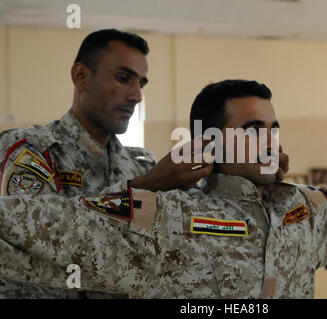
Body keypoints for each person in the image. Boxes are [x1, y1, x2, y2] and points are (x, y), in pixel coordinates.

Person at [0, 79, 327, 298]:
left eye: (273, 128)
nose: (269, 139)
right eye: (253, 129)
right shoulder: (169, 218)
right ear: (210, 142)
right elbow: (40, 226)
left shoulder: (301, 210)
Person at [0, 29, 215, 298]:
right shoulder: (32, 150)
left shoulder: (140, 164)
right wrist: (145, 187)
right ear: (81, 76)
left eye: (141, 84)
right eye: (123, 79)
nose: (137, 96)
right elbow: (32, 233)